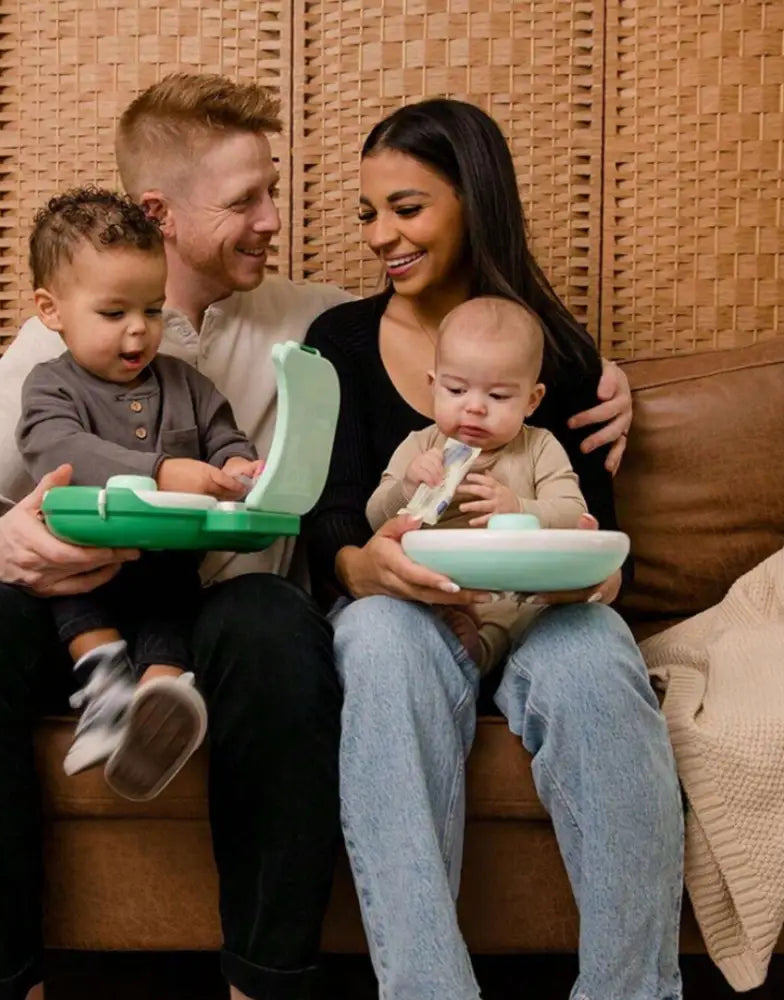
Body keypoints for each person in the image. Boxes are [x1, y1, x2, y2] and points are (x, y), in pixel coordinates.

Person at [0, 74, 350, 1000]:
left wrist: (590, 374)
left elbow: (470, 335)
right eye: (246, 200)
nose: (273, 219)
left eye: (273, 190)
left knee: (280, 632)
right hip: (81, 594)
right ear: (160, 213)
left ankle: (267, 981)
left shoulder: (318, 321)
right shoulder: (52, 346)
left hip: (217, 605)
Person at [304, 98, 684, 1000]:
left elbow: (592, 529)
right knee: (378, 640)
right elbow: (329, 522)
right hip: (406, 609)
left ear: (473, 202)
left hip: (538, 616)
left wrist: (598, 570)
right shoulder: (339, 345)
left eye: (406, 207)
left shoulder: (560, 356)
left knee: (596, 655)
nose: (379, 235)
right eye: (368, 213)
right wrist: (368, 566)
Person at [16, 187, 261, 797]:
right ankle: (104, 689)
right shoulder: (49, 386)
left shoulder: (187, 383)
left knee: (174, 598)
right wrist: (161, 471)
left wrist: (241, 467)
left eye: (152, 310)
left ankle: (160, 699)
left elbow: (227, 436)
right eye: (113, 313)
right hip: (81, 562)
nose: (138, 331)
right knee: (67, 593)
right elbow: (55, 447)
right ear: (52, 310)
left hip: (165, 559)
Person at [366, 295, 587, 671]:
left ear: (532, 401)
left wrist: (520, 508)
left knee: (522, 612)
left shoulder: (539, 448)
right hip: (434, 586)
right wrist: (406, 488)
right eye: (456, 391)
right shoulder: (421, 446)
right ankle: (454, 646)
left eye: (498, 395)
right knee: (399, 610)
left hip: (512, 590)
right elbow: (375, 518)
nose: (474, 407)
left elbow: (573, 513)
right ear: (433, 385)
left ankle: (483, 651)